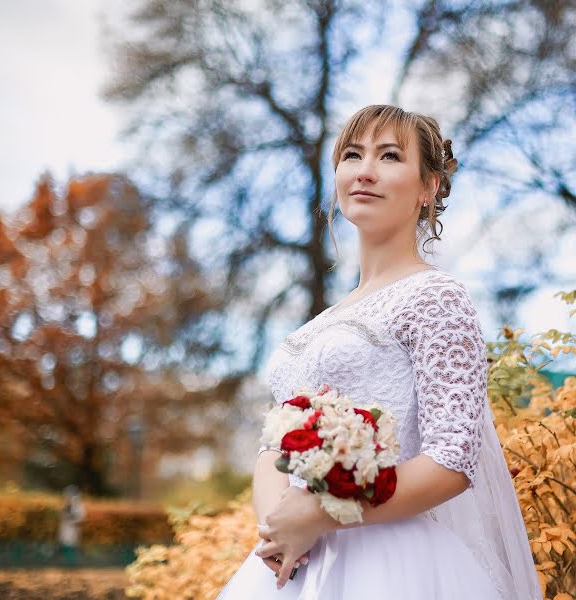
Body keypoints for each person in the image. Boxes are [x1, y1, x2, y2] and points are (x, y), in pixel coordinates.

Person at [216, 105, 542, 599]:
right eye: (352, 154)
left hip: (396, 565)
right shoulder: (320, 323)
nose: (365, 170)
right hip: (294, 566)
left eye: (389, 156)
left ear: (428, 187)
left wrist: (322, 513)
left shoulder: (435, 297)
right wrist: (279, 529)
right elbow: (273, 448)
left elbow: (452, 460)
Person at [58, 484, 86, 566]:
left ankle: (73, 564)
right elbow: (62, 515)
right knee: (65, 544)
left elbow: (80, 517)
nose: (67, 497)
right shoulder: (66, 504)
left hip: (74, 528)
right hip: (66, 527)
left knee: (72, 545)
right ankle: (65, 563)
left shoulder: (78, 505)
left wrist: (71, 517)